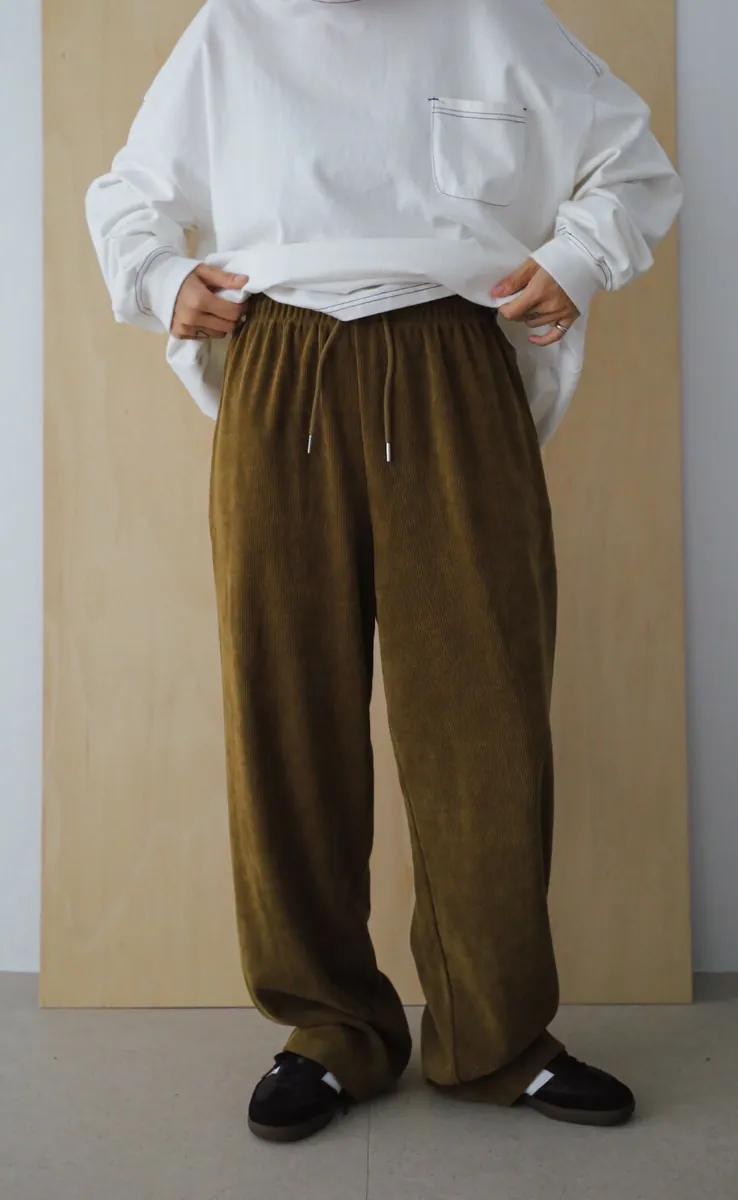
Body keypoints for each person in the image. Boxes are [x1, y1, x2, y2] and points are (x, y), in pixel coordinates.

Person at [86, 0, 682, 1144]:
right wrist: (158, 278)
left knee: (482, 715)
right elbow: (127, 193)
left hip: (452, 355)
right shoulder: (233, 30)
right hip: (277, 359)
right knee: (286, 710)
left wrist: (576, 257)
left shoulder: (493, 18)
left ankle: (495, 1038)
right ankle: (329, 1029)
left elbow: (631, 164)